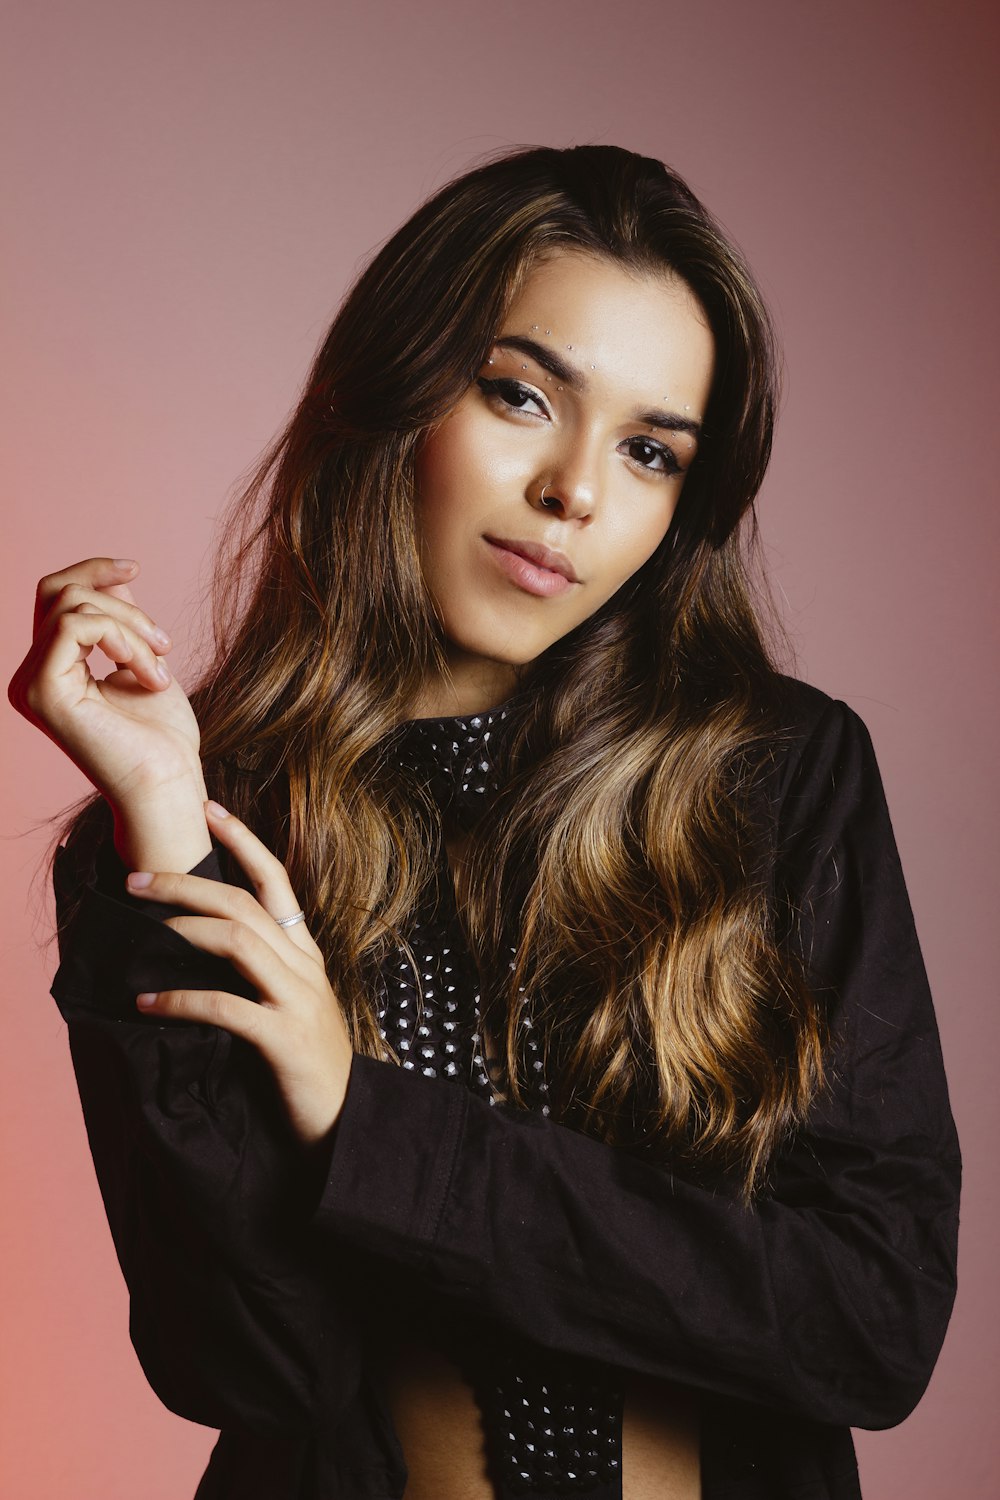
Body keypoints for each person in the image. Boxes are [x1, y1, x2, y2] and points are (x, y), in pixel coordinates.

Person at [9, 145, 960, 1500]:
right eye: (521, 394)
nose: (577, 488)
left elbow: (869, 1321)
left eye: (649, 450)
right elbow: (245, 1367)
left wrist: (363, 1123)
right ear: (399, 391)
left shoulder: (777, 776)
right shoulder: (213, 828)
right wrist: (170, 823)